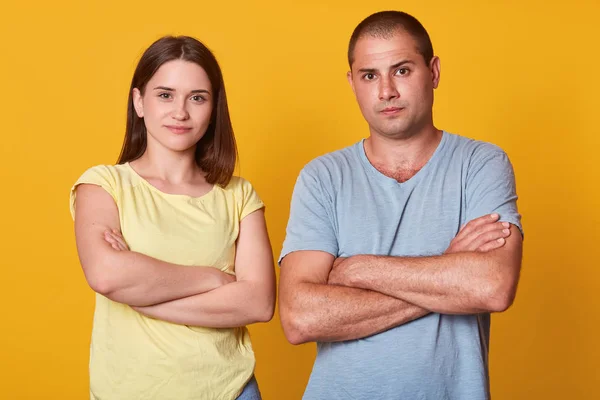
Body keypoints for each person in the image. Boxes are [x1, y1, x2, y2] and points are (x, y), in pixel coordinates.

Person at [278, 10, 523, 400]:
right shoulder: (322, 176)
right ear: (352, 83)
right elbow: (299, 317)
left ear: (434, 72)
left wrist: (356, 269)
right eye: (369, 75)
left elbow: (491, 286)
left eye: (402, 70)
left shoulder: (481, 164)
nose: (386, 91)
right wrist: (447, 269)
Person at [69, 35, 275, 400]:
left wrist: (145, 295)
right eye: (165, 95)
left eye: (197, 97)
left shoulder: (239, 195)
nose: (180, 112)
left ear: (213, 108)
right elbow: (107, 274)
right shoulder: (103, 185)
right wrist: (214, 279)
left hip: (231, 391)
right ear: (139, 102)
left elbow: (258, 303)